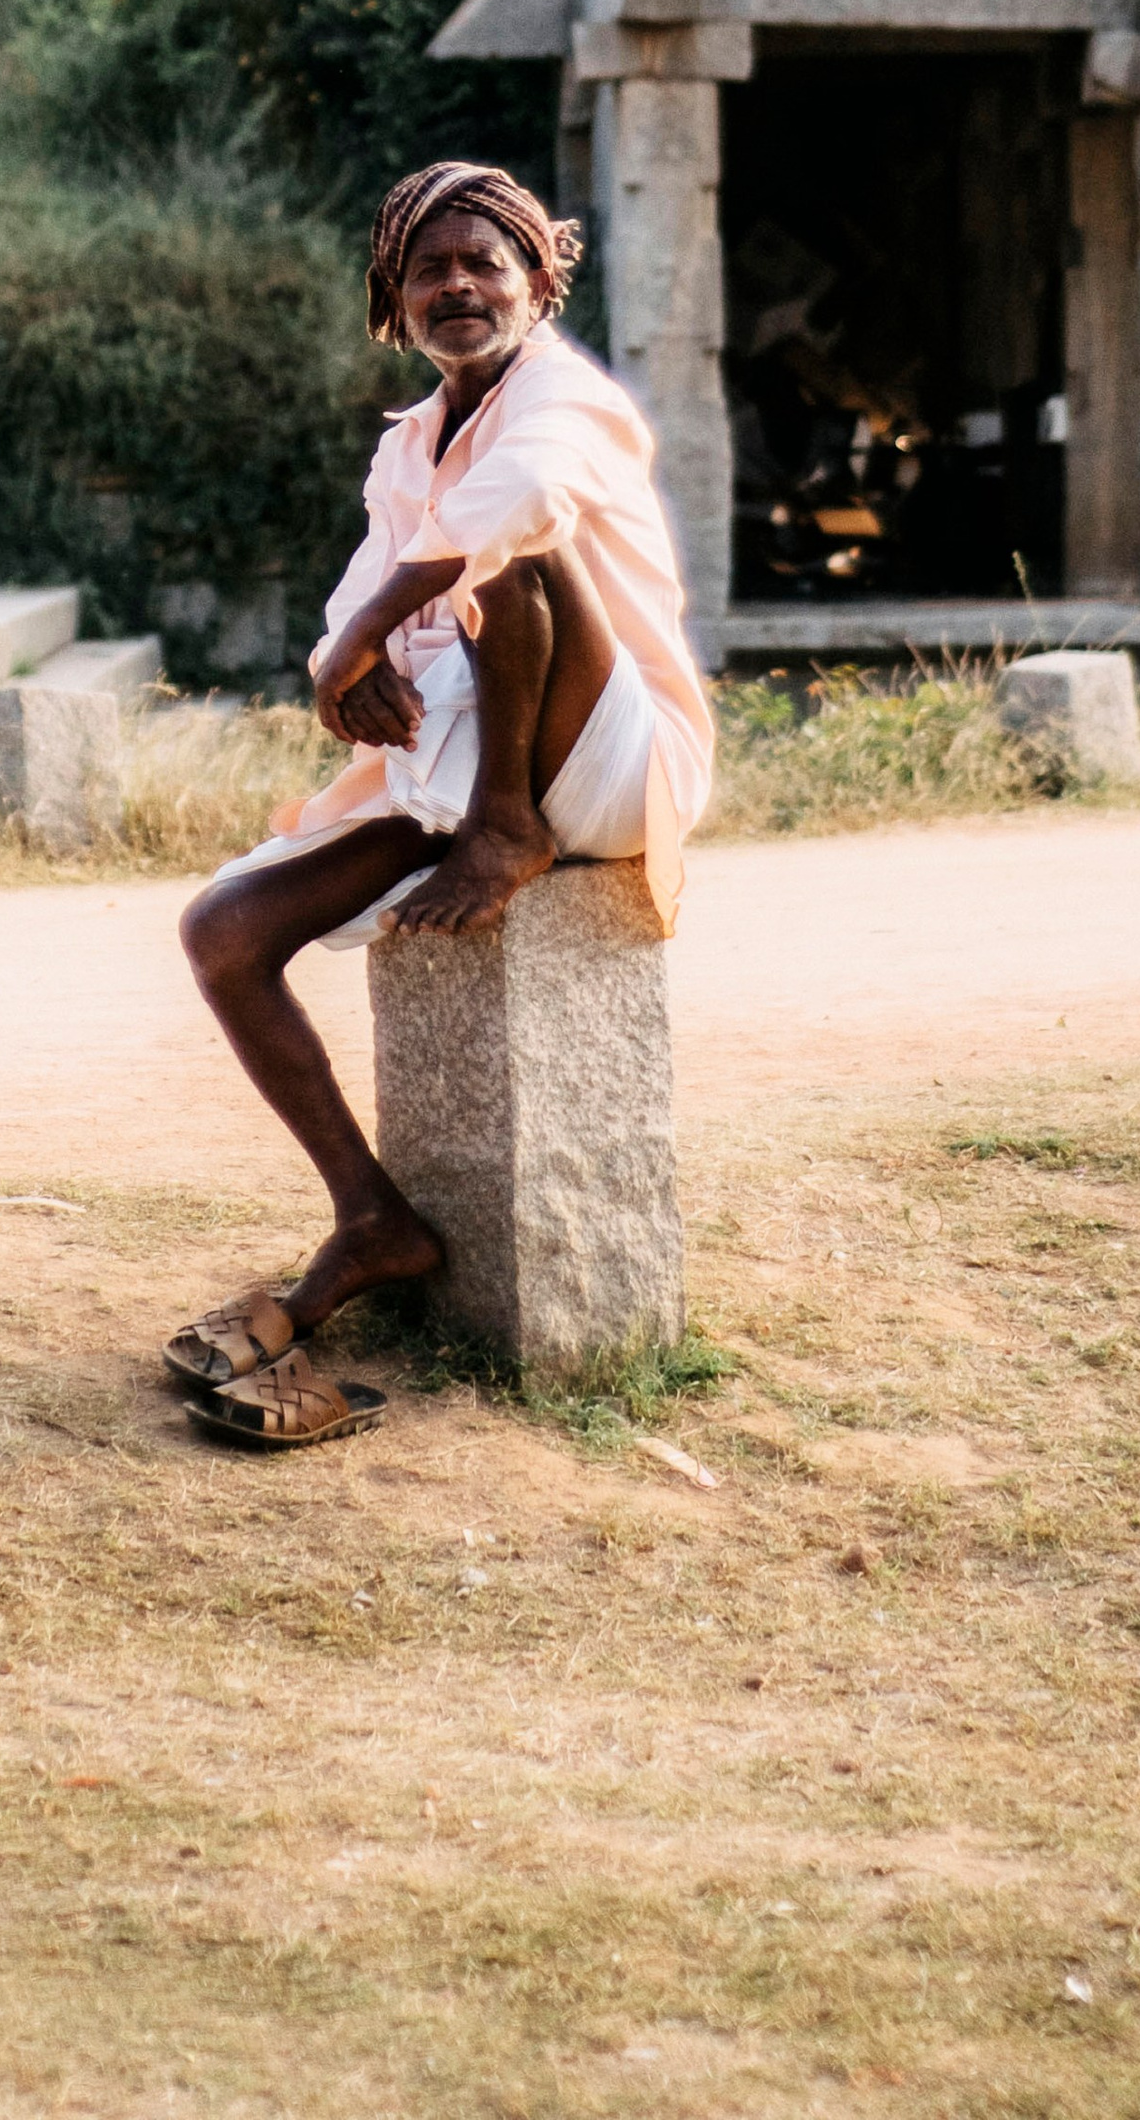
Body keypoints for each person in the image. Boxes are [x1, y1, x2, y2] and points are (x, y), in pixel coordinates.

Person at [168, 157, 715, 1447]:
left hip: (607, 760)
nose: (460, 284)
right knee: (224, 936)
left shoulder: (568, 402)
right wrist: (341, 667)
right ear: (393, 299)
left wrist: (361, 636)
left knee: (504, 557)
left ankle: (508, 832)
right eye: (431, 269)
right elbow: (368, 581)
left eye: (488, 262)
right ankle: (375, 1221)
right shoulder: (410, 442)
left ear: (537, 280)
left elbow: (509, 519)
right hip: (465, 755)